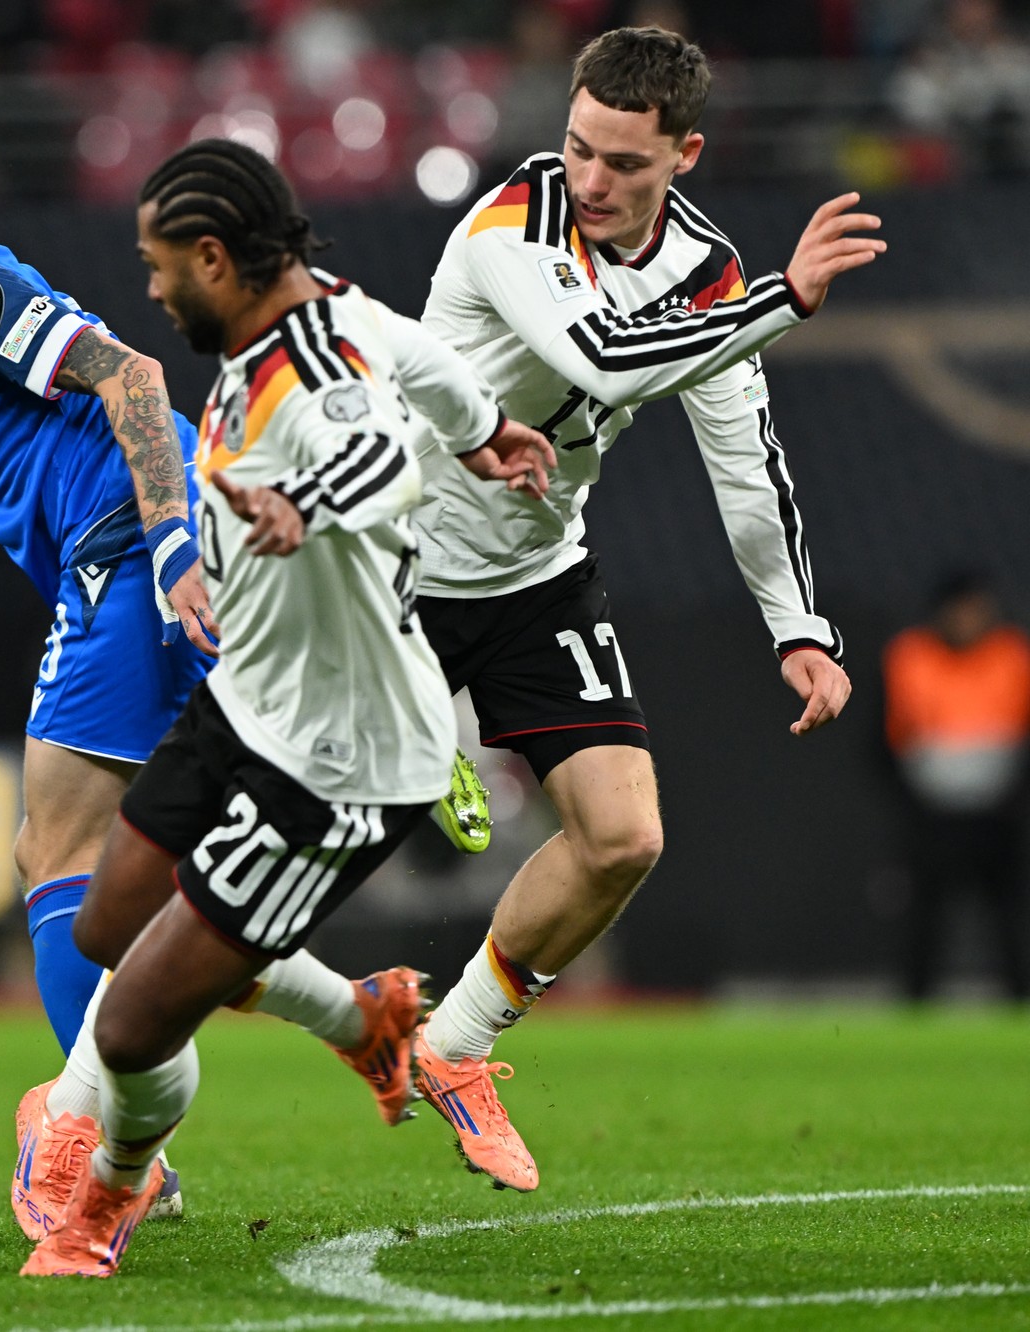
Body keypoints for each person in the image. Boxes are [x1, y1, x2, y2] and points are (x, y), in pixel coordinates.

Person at [22, 137, 550, 1277]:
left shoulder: (315, 383)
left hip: (338, 763)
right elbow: (422, 358)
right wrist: (480, 429)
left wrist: (303, 503)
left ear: (214, 259)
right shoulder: (324, 312)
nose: (151, 290)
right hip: (248, 701)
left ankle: (100, 1211)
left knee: (127, 1024)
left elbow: (373, 460)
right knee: (104, 929)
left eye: (160, 267)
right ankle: (362, 1021)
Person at [391, 25, 878, 1191]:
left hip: (529, 571)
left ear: (686, 154)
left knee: (624, 838)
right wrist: (784, 301)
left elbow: (740, 457)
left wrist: (795, 626)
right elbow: (605, 359)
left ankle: (450, 1047)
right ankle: (96, 1114)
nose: (591, 183)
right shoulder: (513, 222)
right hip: (387, 558)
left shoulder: (705, 272)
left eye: (623, 163)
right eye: (577, 149)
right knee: (272, 865)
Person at [884, 570, 1030, 1001]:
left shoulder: (1012, 656)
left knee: (1010, 914)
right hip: (932, 816)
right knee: (923, 915)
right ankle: (915, 1006)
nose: (968, 618)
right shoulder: (910, 655)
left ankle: (1021, 1005)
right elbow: (888, 737)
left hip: (997, 815)